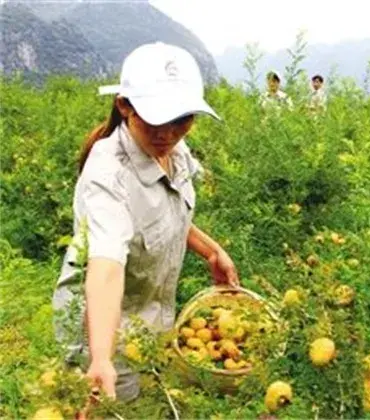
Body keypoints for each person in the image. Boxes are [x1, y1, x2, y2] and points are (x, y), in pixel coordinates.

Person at [52, 42, 239, 404]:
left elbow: (169, 215)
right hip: (105, 326)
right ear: (125, 106)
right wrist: (101, 357)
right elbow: (105, 266)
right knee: (111, 405)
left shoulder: (174, 152)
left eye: (182, 119)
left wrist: (212, 251)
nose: (168, 133)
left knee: (150, 399)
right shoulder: (108, 173)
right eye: (157, 119)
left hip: (152, 316)